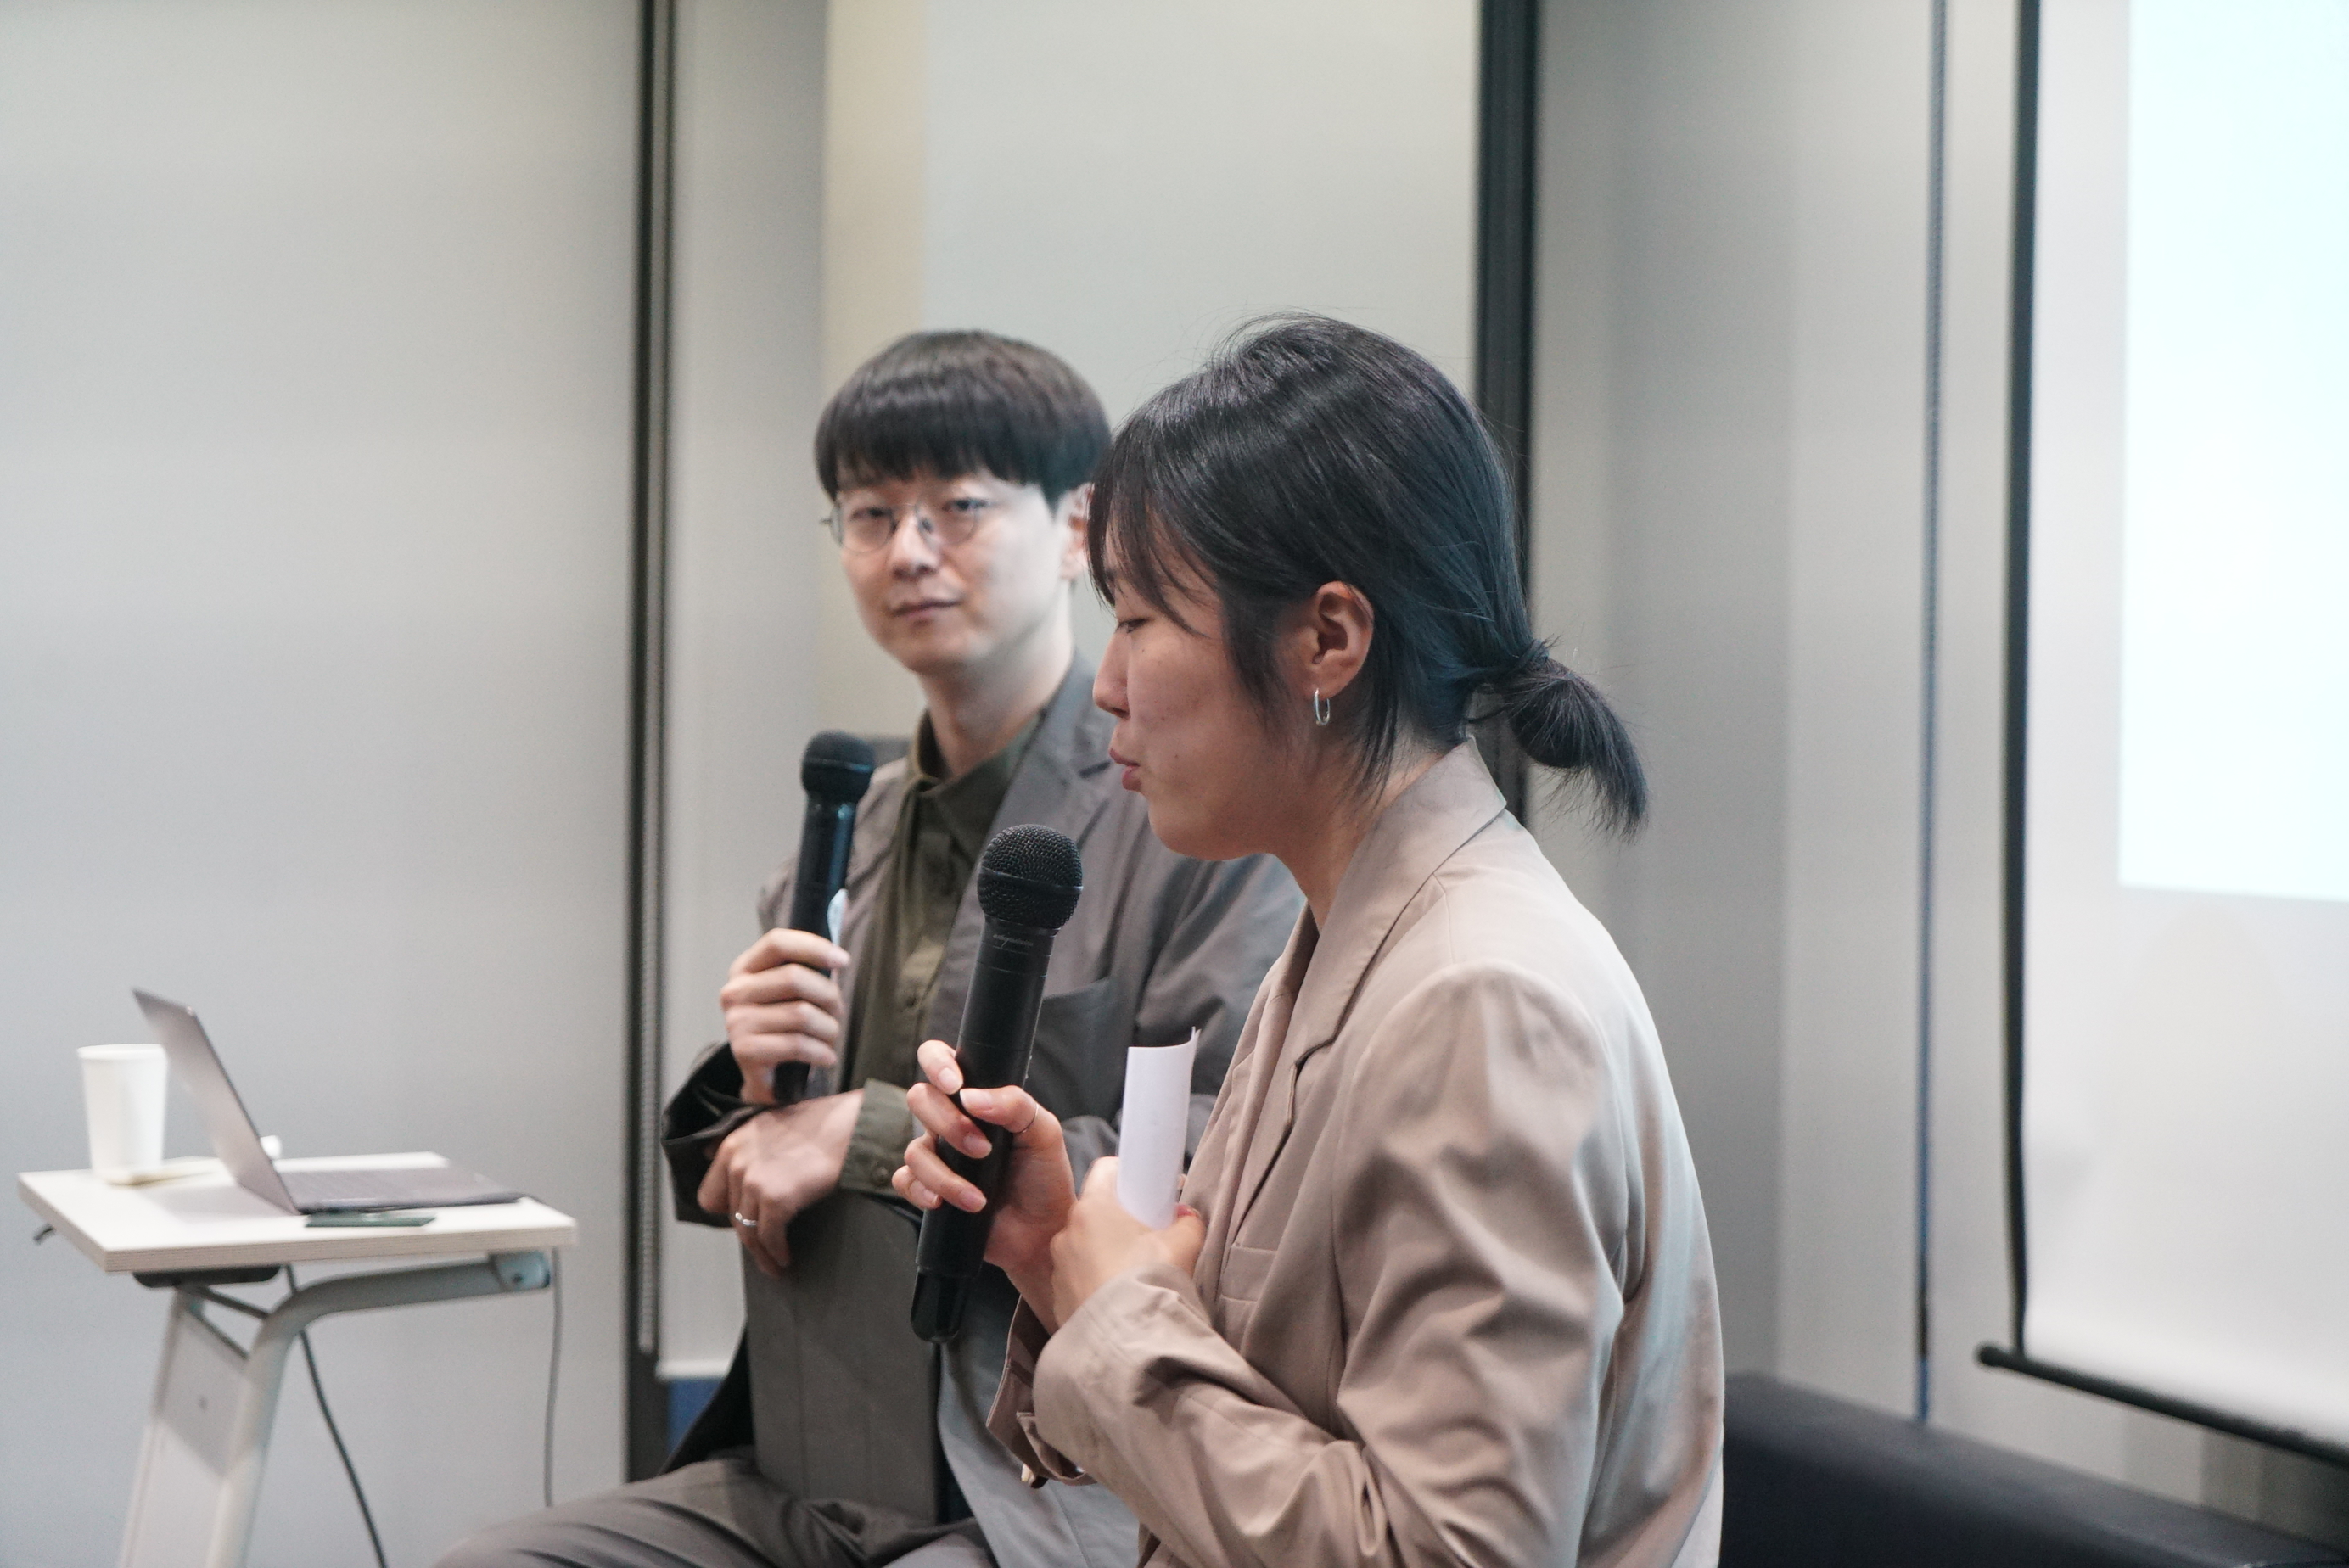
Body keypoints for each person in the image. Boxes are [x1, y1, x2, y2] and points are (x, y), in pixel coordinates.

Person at [441, 332, 1299, 1568]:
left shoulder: (1188, 823)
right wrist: (755, 1087)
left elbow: (1229, 1154)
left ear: (1077, 530)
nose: (908, 550)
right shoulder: (849, 825)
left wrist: (871, 1129)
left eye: (959, 506)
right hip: (816, 1436)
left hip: (1036, 1466)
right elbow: (764, 1165)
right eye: (869, 513)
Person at [895, 316, 1724, 1567]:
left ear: (1329, 640)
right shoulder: (1360, 928)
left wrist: (1115, 1320)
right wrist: (1061, 1256)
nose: (1108, 685)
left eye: (1139, 620)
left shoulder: (1482, 998)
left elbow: (1451, 1554)